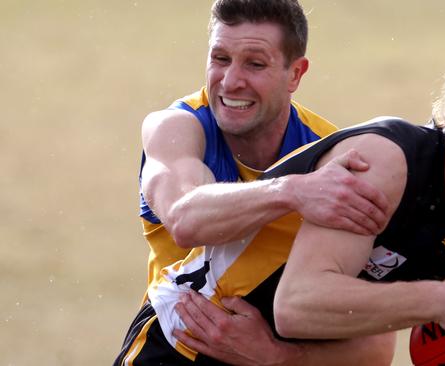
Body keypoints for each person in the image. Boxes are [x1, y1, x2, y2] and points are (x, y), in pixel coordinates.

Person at [119, 18, 445, 366]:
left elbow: (380, 346)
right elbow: (297, 306)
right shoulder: (384, 163)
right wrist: (442, 301)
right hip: (186, 347)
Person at [119, 0, 393, 364]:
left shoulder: (332, 156)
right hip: (169, 352)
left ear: (295, 74)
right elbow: (186, 220)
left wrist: (275, 356)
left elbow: (377, 350)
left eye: (255, 63)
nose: (231, 81)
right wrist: (292, 191)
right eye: (220, 59)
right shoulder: (176, 128)